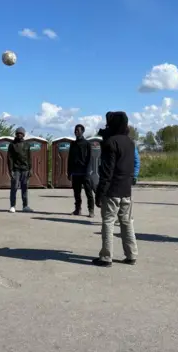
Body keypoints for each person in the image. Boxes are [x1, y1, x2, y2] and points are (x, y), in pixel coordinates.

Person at [93, 111, 138, 267]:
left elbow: (107, 171)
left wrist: (100, 193)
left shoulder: (110, 142)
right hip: (126, 190)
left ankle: (106, 257)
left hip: (112, 190)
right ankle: (131, 255)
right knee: (126, 222)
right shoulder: (130, 143)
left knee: (108, 222)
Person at [68, 124, 95, 217]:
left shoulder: (87, 144)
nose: (76, 132)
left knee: (89, 193)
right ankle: (77, 209)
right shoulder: (73, 144)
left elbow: (90, 158)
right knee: (76, 193)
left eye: (78, 130)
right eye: (75, 130)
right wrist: (69, 172)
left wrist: (88, 171)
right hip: (75, 172)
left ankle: (91, 210)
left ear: (82, 131)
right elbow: (70, 159)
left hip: (85, 172)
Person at [8, 127, 33, 213]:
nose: (19, 135)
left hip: (25, 169)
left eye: (21, 133)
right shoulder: (12, 144)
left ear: (23, 134)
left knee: (25, 188)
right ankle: (12, 206)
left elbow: (29, 158)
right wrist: (10, 170)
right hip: (16, 169)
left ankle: (25, 206)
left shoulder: (27, 144)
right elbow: (9, 158)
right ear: (16, 134)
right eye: (18, 133)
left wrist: (30, 169)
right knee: (14, 187)